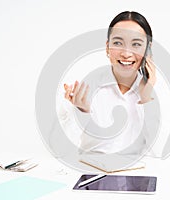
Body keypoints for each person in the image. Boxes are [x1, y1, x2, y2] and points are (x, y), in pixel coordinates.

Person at [63, 11, 157, 155]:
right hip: (94, 170)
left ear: (147, 49)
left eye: (136, 44)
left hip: (138, 174)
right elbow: (67, 148)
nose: (126, 53)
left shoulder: (156, 91)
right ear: (107, 47)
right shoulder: (87, 87)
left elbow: (160, 151)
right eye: (118, 43)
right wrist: (82, 112)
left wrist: (146, 99)